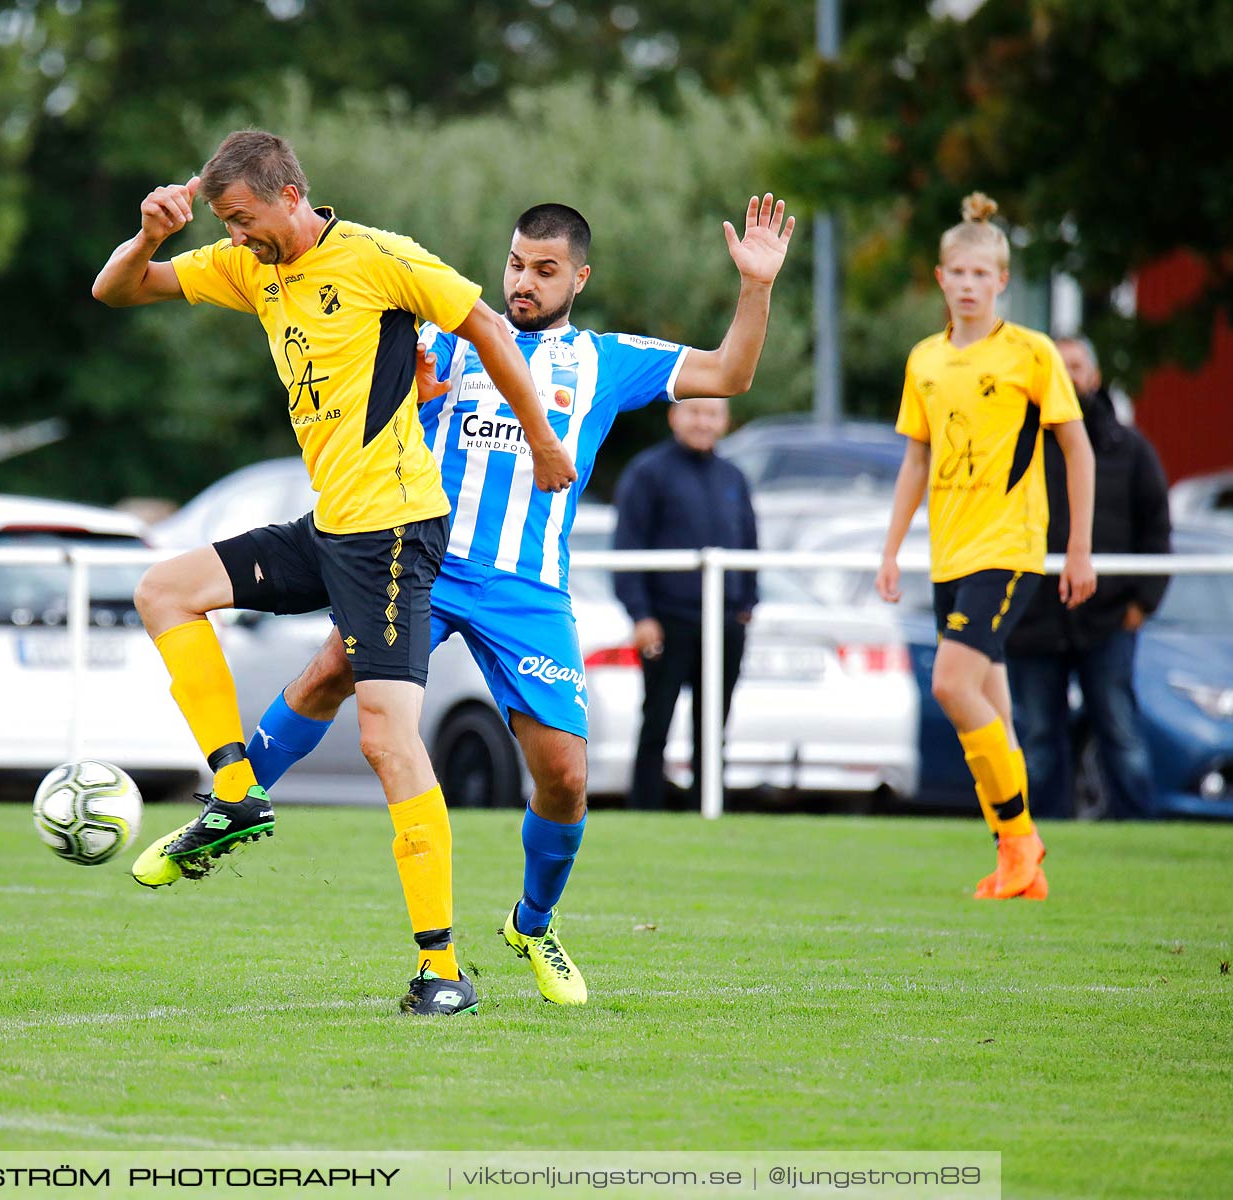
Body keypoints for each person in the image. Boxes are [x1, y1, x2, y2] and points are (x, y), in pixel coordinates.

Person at [232, 196, 795, 1005]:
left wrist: (756, 287)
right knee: (330, 670)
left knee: (565, 775)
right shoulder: (443, 334)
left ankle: (533, 924)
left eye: (544, 269)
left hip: (527, 588)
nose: (522, 282)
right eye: (515, 264)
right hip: (422, 559)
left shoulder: (605, 360)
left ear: (580, 276)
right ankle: (232, 798)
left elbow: (730, 374)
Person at [91, 130, 578, 1017]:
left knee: (387, 741)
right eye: (225, 224)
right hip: (330, 526)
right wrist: (152, 235)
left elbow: (486, 326)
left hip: (394, 532)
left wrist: (544, 439)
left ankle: (441, 972)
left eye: (243, 220)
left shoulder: (381, 258)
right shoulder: (250, 267)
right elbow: (117, 289)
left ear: (289, 194)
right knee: (164, 589)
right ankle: (235, 793)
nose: (235, 238)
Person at [875, 192, 1097, 901]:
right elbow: (915, 461)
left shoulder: (1031, 354)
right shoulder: (926, 361)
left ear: (1002, 281)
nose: (969, 285)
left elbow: (1078, 450)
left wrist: (1079, 549)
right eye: (957, 274)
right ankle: (1018, 861)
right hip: (951, 553)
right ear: (941, 279)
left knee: (950, 685)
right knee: (994, 707)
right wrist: (890, 550)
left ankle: (1019, 839)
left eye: (982, 275)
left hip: (1009, 547)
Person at [1005, 336, 1171, 818]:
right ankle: (1038, 836)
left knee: (1119, 730)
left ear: (1094, 376)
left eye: (1076, 365)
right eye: (1057, 366)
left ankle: (1139, 829)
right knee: (1037, 737)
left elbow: (1157, 528)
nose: (1069, 375)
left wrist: (1143, 603)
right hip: (1033, 618)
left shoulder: (1130, 449)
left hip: (1108, 616)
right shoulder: (1019, 445)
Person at [612, 395, 758, 813]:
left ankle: (707, 812)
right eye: (694, 412)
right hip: (667, 620)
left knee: (713, 726)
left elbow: (748, 541)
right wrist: (641, 616)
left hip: (725, 623)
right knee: (657, 721)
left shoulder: (733, 477)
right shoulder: (648, 472)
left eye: (712, 413)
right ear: (674, 416)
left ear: (725, 421)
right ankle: (644, 812)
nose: (703, 422)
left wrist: (748, 603)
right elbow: (628, 547)